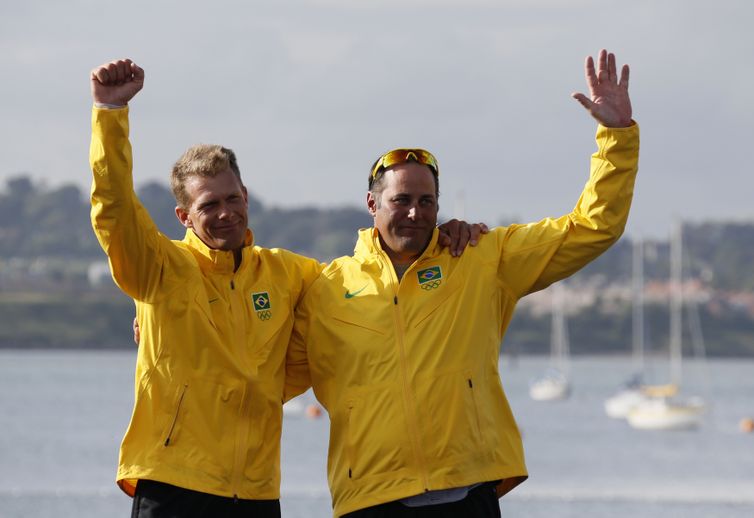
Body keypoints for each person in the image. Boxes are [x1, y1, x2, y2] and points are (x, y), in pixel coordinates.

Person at [89, 59, 482, 517]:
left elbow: (361, 286)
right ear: (184, 217)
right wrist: (109, 114)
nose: (225, 213)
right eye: (209, 204)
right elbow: (114, 212)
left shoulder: (287, 273)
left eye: (233, 199)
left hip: (256, 493)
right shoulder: (160, 268)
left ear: (247, 197)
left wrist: (437, 235)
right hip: (174, 484)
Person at [285, 49, 639, 517]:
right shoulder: (325, 289)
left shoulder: (479, 257)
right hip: (370, 499)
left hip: (467, 492)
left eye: (427, 201)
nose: (416, 212)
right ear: (373, 205)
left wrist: (614, 136)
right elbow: (259, 369)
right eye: (402, 199)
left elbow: (592, 228)